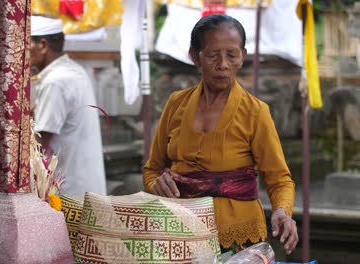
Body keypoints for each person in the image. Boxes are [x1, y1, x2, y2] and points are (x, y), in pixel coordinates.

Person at [143, 14, 298, 256]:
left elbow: (279, 179)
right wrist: (156, 184)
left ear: (243, 56)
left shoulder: (256, 112)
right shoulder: (176, 103)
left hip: (238, 237)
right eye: (214, 55)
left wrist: (282, 210)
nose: (223, 64)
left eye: (232, 55)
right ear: (195, 56)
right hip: (178, 232)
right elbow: (152, 169)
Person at [29, 16, 106, 196]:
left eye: (23, 46)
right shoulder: (73, 70)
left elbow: (40, 142)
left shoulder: (56, 82)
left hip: (68, 191)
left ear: (42, 45)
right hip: (84, 186)